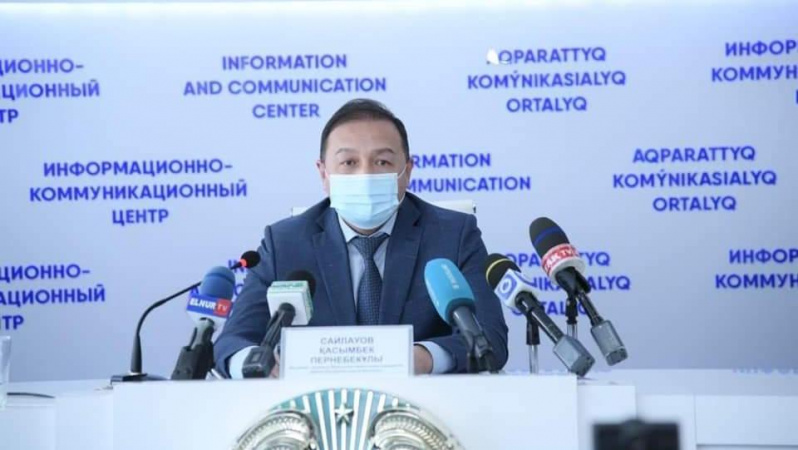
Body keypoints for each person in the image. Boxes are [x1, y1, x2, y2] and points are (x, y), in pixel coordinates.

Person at [214, 98, 508, 377]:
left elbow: (489, 338)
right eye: (349, 162)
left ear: (407, 171)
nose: (365, 175)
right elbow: (233, 342)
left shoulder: (453, 235)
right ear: (324, 173)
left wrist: (421, 359)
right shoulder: (285, 243)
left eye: (382, 162)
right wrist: (257, 364)